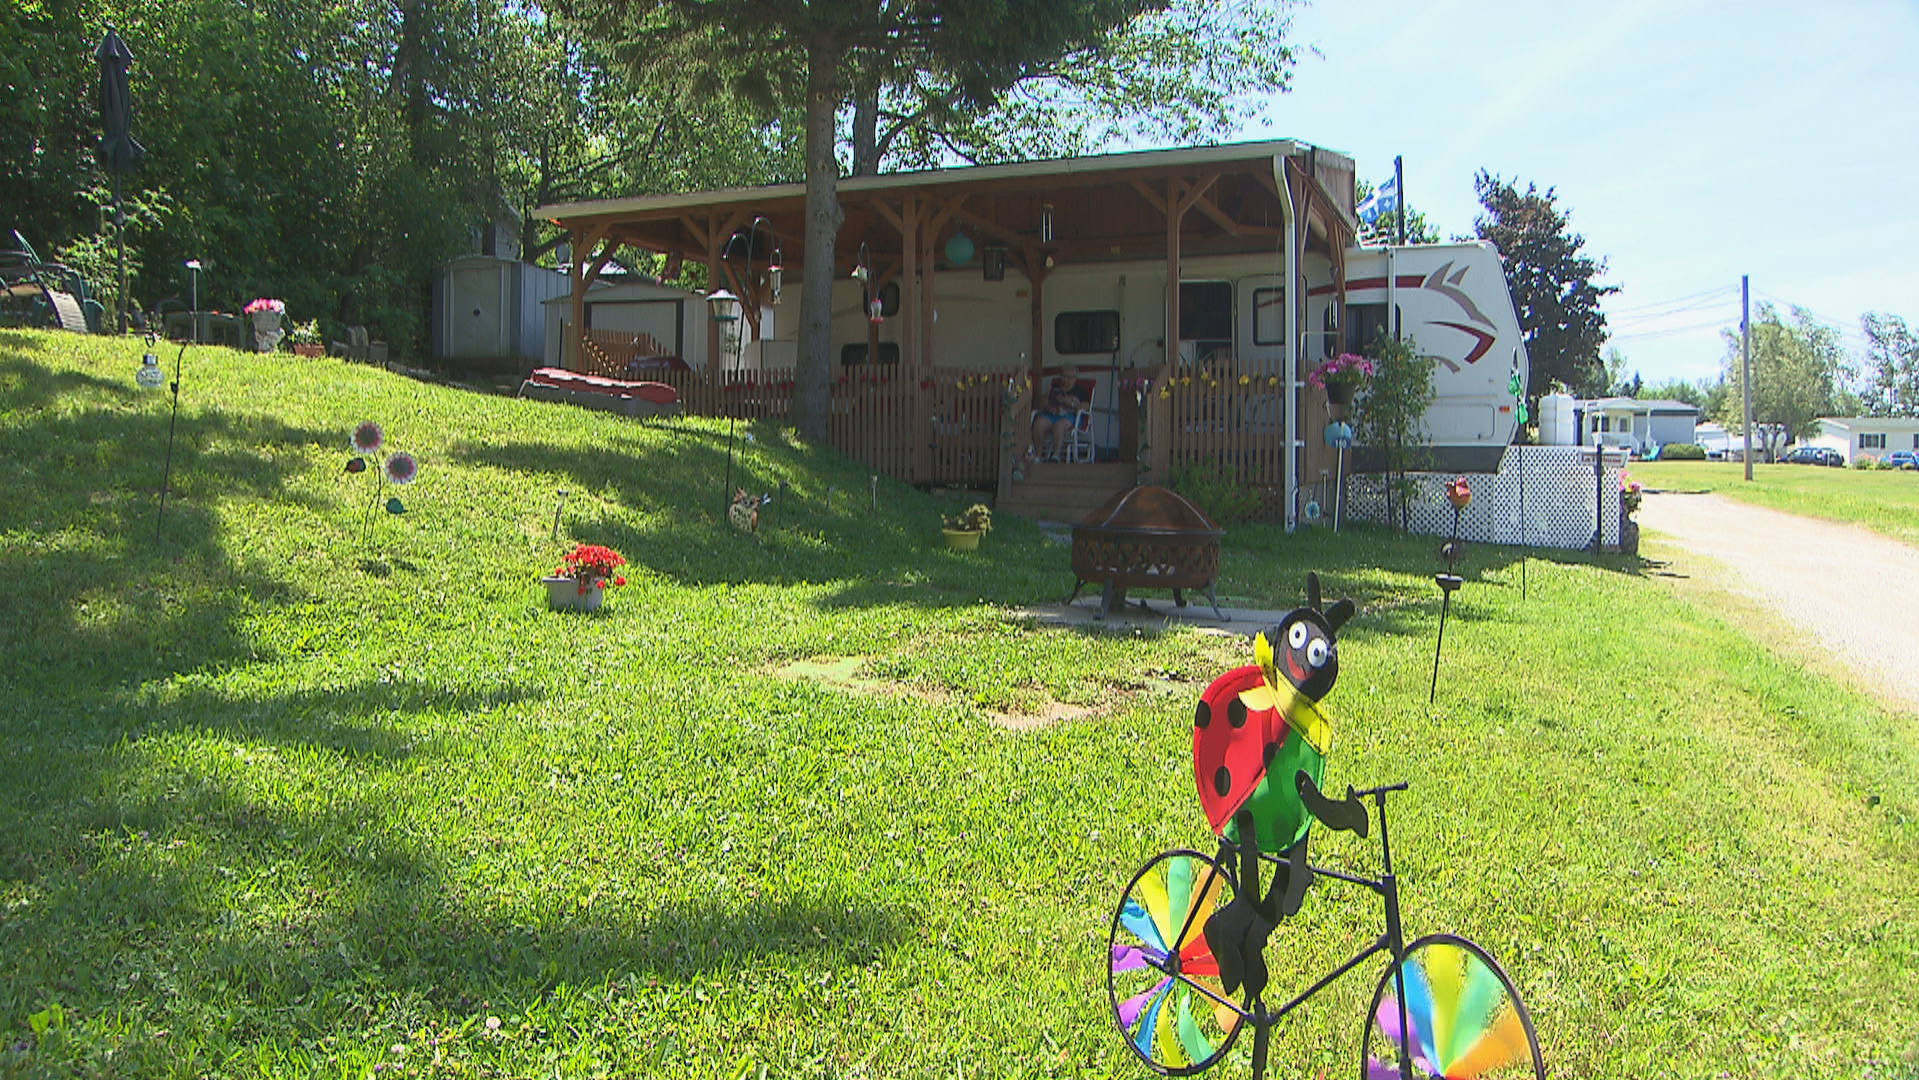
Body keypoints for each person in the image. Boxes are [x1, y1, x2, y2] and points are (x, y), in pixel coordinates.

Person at [1028, 364, 1083, 461]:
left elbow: (1084, 406)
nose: (1065, 380)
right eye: (1063, 376)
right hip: (1051, 414)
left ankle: (1056, 455)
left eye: (1068, 377)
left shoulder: (1079, 390)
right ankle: (1039, 454)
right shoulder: (1054, 387)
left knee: (1059, 425)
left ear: (1074, 378)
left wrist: (1068, 402)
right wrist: (1048, 405)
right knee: (1039, 423)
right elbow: (1042, 401)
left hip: (1068, 416)